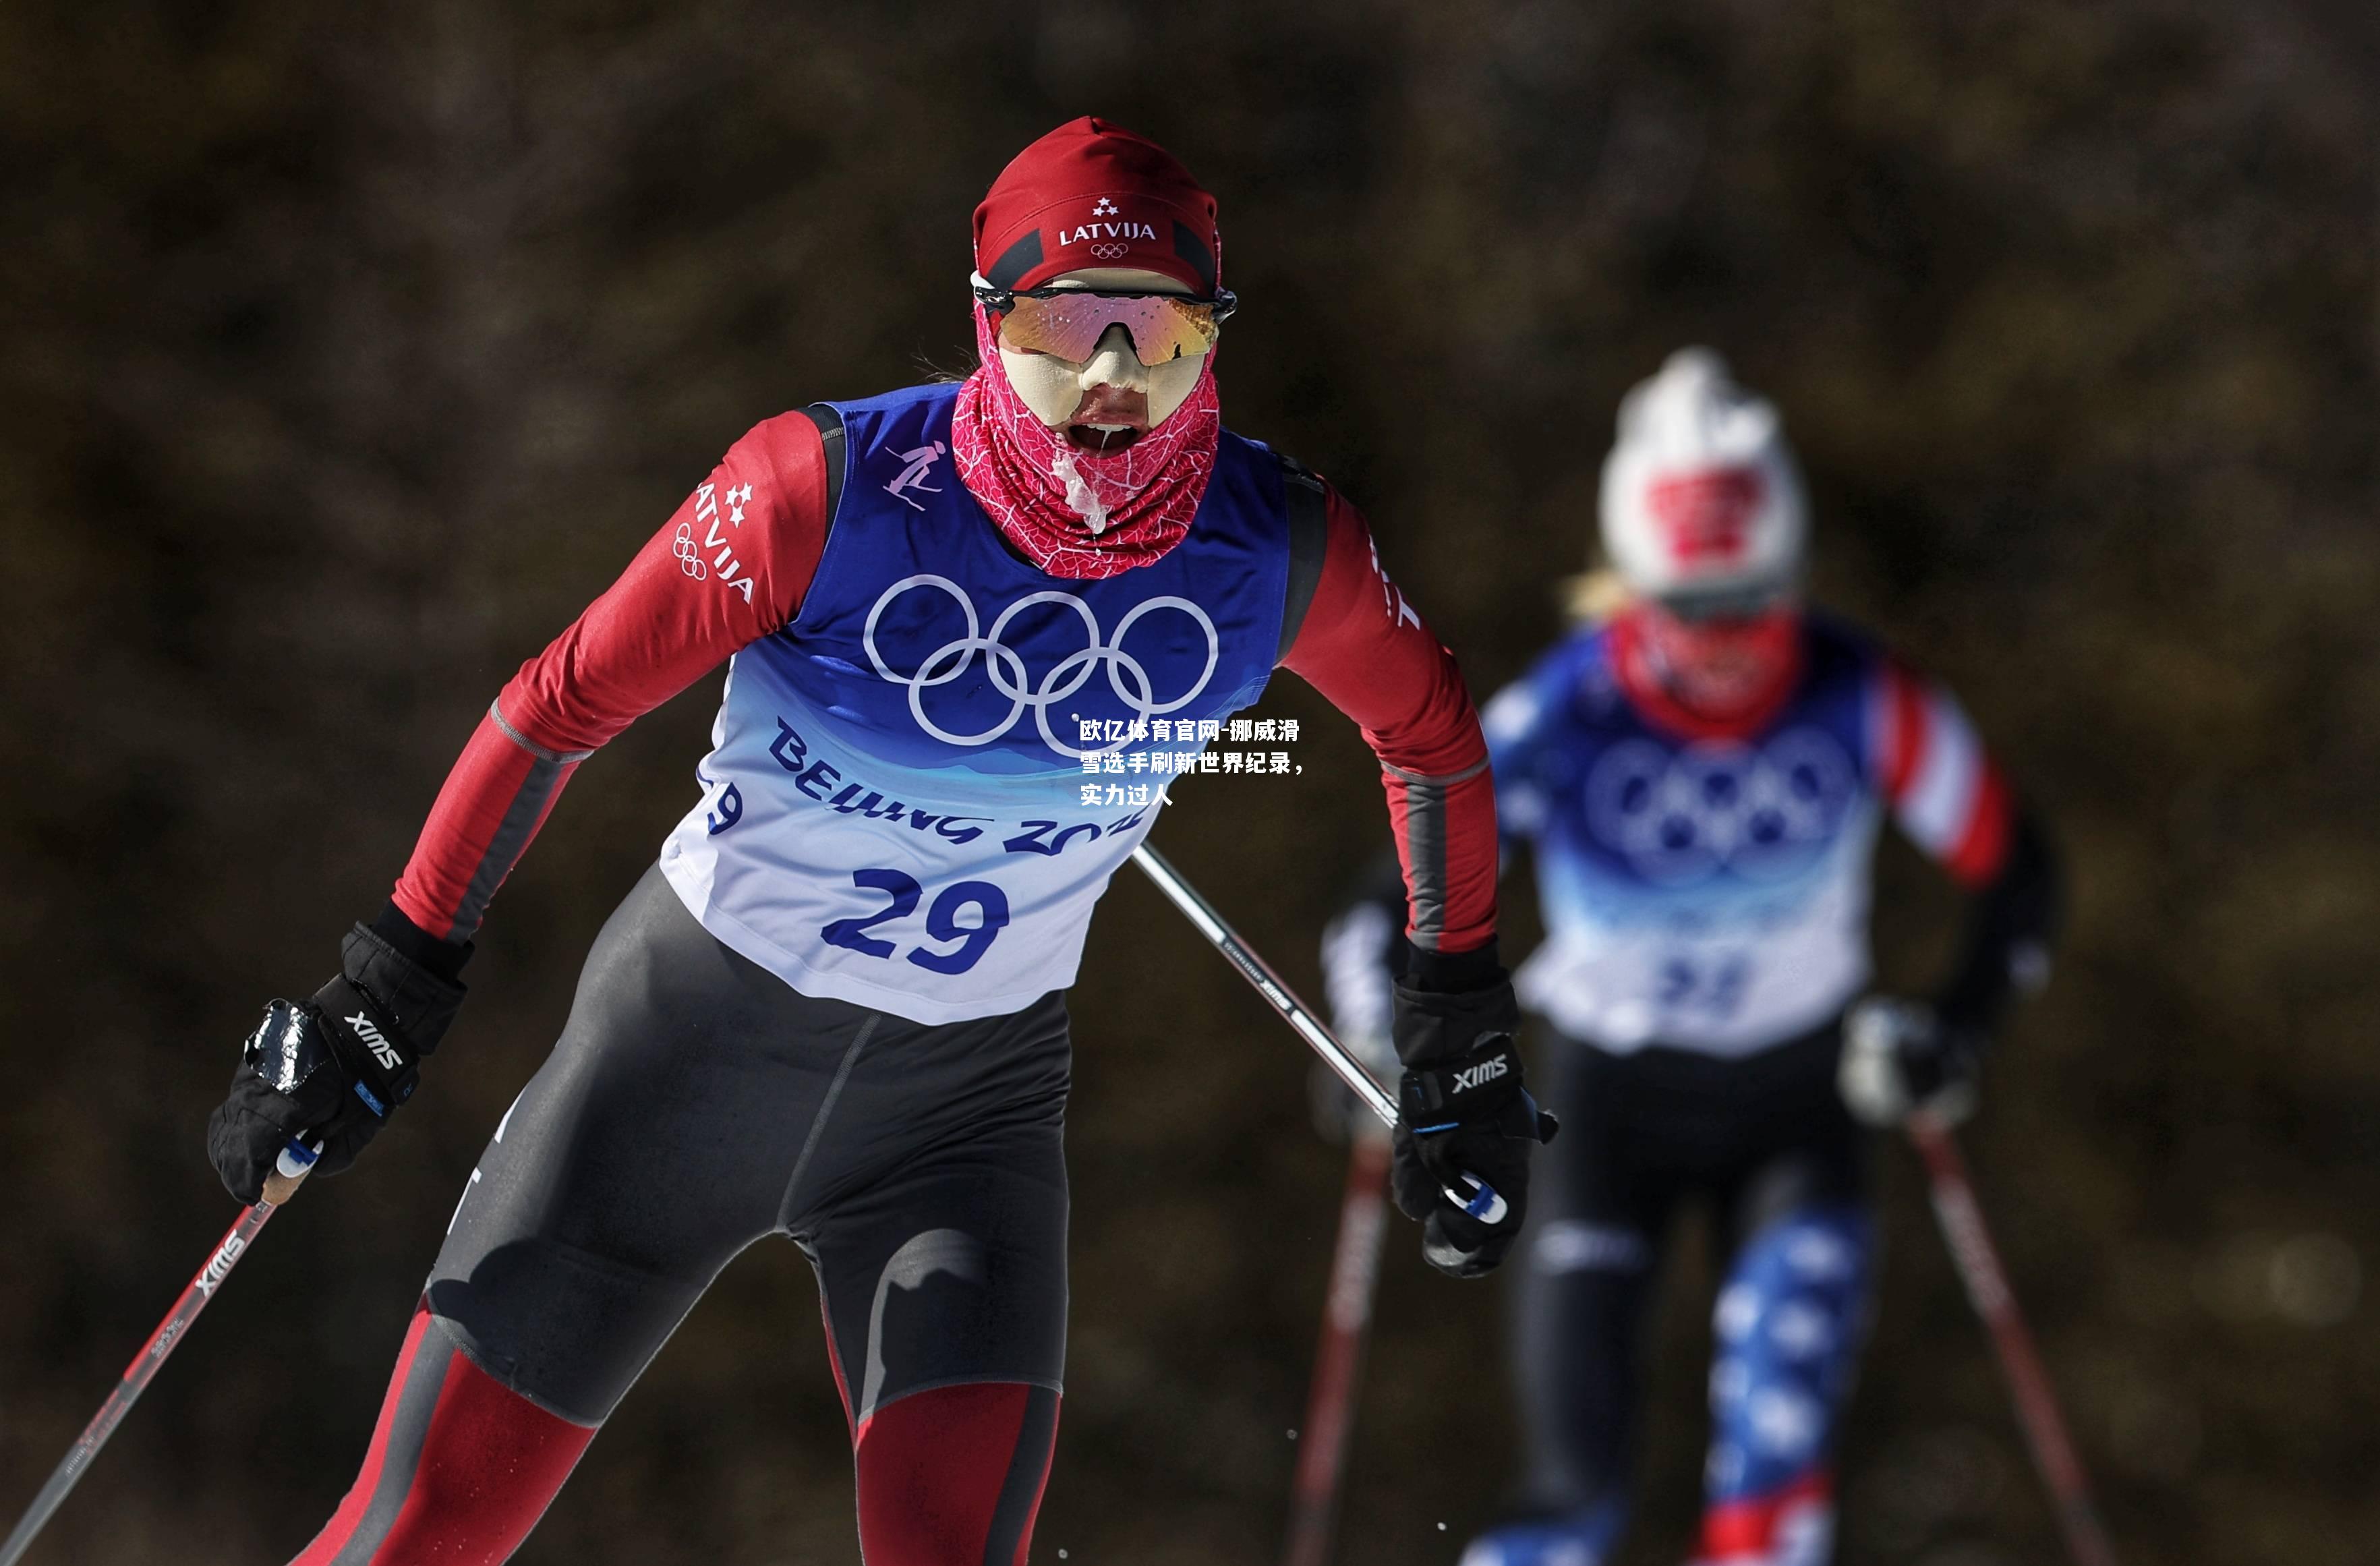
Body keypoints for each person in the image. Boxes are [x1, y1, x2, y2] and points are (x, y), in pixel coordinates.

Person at [203, 117, 1553, 1566]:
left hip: (961, 1125)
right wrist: (389, 985)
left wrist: (1455, 1022)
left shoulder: (1274, 549)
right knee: (411, 1545)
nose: (1107, 381)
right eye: (1060, 328)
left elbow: (1431, 737)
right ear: (988, 326)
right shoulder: (821, 491)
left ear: (1212, 343)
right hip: (674, 1074)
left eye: (1155, 335)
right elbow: (555, 708)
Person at [1318, 349, 2060, 1566]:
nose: (1724, 649)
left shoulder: (1860, 696)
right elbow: (1383, 893)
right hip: (1603, 1113)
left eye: (1753, 606)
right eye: (1688, 612)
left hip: (1796, 1113)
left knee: (1769, 1501)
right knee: (1572, 1493)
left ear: (1793, 575)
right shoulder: (1565, 713)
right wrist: (1371, 1036)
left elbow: (2018, 868)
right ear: (1627, 588)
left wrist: (1954, 1028)